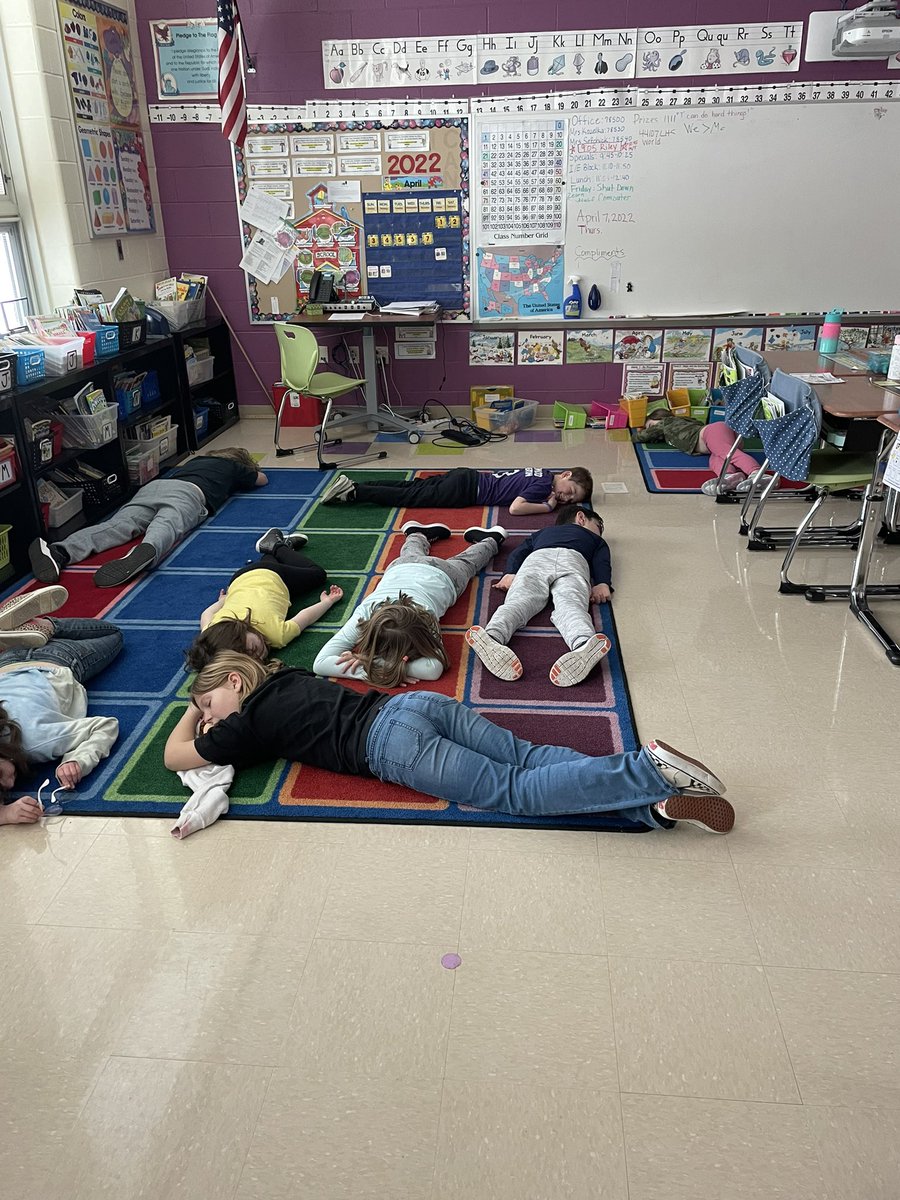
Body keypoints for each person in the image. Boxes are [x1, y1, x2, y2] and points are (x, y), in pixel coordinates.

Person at [163, 652, 736, 834]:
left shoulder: (245, 724)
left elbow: (173, 757)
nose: (211, 719)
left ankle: (647, 770)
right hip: (415, 705)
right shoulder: (287, 676)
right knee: (528, 758)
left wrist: (191, 716)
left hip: (393, 749)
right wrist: (212, 710)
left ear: (233, 684)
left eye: (210, 704)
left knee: (516, 791)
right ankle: (651, 807)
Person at [28, 447, 268, 588]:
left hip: (157, 487)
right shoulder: (232, 468)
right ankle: (146, 550)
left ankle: (60, 551)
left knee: (116, 525)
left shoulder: (197, 461)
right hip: (189, 494)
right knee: (169, 523)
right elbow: (260, 479)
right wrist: (246, 472)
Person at [313, 521, 505, 687]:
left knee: (466, 562)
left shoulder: (420, 618)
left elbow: (433, 669)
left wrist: (369, 662)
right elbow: (320, 664)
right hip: (405, 568)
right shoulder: (407, 619)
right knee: (457, 560)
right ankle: (418, 533)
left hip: (442, 576)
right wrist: (386, 665)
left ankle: (491, 539)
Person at [0, 588, 122, 826]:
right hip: (5, 662)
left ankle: (47, 626)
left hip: (56, 660)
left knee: (113, 633)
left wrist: (78, 760)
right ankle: (25, 630)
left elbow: (105, 725)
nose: (9, 785)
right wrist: (4, 814)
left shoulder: (34, 741)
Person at [465, 502, 612, 687]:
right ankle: (583, 643)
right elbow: (602, 561)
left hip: (537, 561)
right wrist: (602, 583)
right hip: (573, 563)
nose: (599, 533)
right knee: (572, 605)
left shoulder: (542, 533)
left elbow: (520, 551)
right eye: (598, 527)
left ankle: (493, 635)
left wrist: (510, 572)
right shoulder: (595, 540)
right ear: (581, 518)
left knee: (520, 601)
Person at [185, 527, 343, 672]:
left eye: (253, 648)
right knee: (271, 560)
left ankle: (277, 546)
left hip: (273, 575)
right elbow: (206, 614)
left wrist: (327, 602)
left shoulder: (275, 634)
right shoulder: (214, 633)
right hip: (241, 578)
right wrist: (222, 602)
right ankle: (275, 547)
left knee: (317, 574)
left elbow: (305, 617)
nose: (258, 654)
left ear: (241, 630)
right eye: (252, 659)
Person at [319, 466, 593, 517]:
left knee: (411, 486)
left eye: (572, 500)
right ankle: (355, 492)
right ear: (565, 475)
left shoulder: (542, 473)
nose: (566, 498)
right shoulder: (544, 486)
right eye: (569, 491)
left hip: (466, 475)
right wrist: (546, 507)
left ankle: (353, 487)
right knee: (409, 497)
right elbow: (516, 507)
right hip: (466, 491)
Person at [633, 411, 760, 496]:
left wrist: (638, 432)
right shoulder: (679, 424)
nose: (651, 428)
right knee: (715, 459)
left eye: (650, 425)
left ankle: (758, 473)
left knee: (728, 454)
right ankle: (729, 477)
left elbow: (643, 436)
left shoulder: (665, 423)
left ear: (659, 418)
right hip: (714, 437)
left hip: (711, 432)